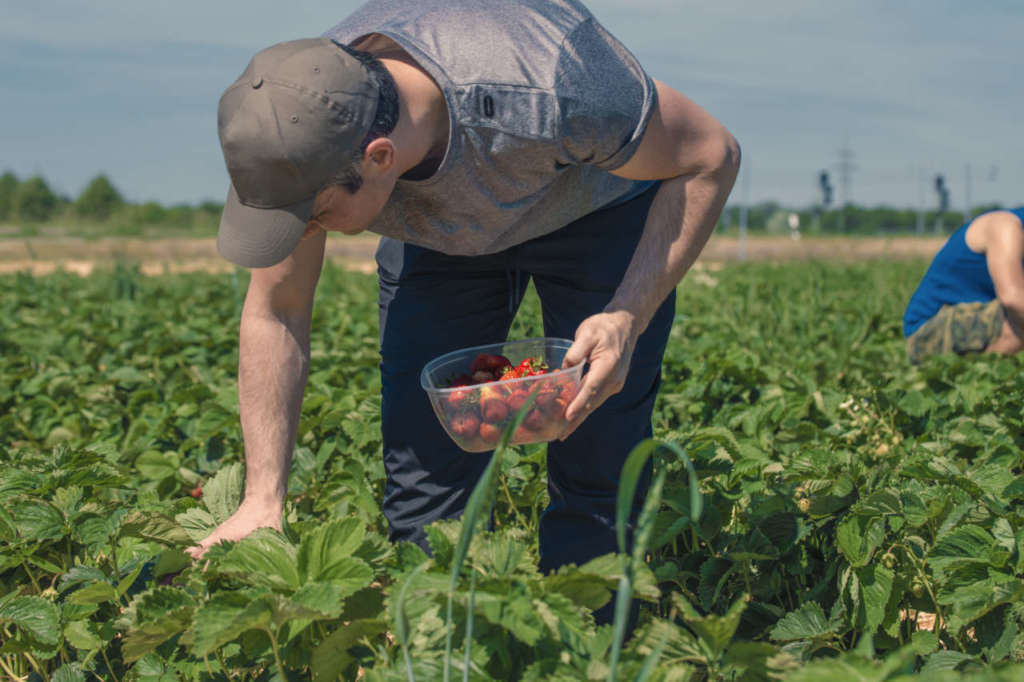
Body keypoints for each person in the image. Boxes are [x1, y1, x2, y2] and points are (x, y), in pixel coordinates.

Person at [194, 0, 739, 621]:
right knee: (424, 470)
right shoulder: (299, 122)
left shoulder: (556, 83)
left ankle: (588, 644)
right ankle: (436, 644)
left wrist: (627, 314)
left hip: (596, 212)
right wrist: (263, 498)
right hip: (441, 232)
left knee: (599, 456)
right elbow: (277, 309)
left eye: (314, 217)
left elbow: (711, 156)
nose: (307, 231)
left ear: (378, 158)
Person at [904, 207, 1024, 364]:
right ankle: (983, 382)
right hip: (927, 333)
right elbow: (1013, 299)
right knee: (1017, 317)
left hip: (978, 323)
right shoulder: (1005, 226)